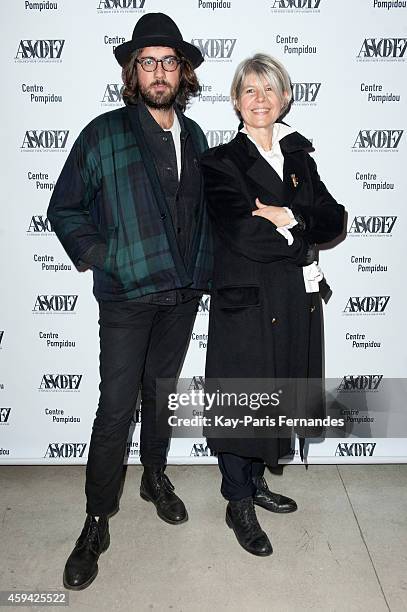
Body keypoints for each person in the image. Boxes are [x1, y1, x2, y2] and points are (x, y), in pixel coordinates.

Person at [47, 13, 211, 590]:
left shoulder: (194, 137)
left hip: (180, 293)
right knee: (116, 407)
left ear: (182, 71)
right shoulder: (103, 133)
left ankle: (154, 478)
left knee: (161, 396)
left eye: (168, 61)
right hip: (125, 296)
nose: (159, 72)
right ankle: (96, 519)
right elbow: (63, 207)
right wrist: (103, 255)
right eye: (148, 62)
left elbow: (200, 214)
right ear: (132, 72)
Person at [200, 53, 345, 557]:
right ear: (236, 102)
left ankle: (256, 481)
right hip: (248, 302)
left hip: (294, 298)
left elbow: (335, 218)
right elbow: (244, 233)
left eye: (269, 90)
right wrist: (300, 236)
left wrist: (288, 217)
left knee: (278, 393)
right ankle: (236, 498)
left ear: (285, 98)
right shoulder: (219, 162)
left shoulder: (299, 155)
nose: (259, 100)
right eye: (249, 91)